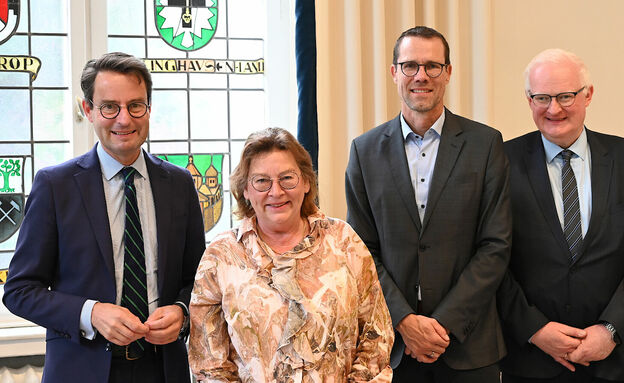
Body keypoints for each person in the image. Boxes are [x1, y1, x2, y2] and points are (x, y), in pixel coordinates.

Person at [2, 52, 206, 383]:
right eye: (109, 106)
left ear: (149, 110)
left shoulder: (179, 184)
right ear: (88, 110)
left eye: (135, 106)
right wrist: (91, 313)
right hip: (81, 369)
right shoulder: (56, 186)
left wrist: (182, 313)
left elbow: (199, 280)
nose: (124, 119)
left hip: (164, 370)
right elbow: (20, 290)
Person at [345, 26, 511, 382]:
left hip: (469, 348)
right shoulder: (364, 151)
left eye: (433, 66)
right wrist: (405, 321)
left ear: (448, 73)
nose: (421, 76)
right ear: (394, 73)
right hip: (392, 350)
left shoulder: (485, 144)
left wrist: (443, 324)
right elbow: (360, 252)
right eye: (410, 66)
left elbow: (495, 245)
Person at [497, 48, 624, 383]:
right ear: (528, 99)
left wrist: (611, 330)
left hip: (614, 362)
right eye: (542, 97)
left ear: (588, 95)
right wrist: (534, 328)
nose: (554, 108)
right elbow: (489, 257)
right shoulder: (500, 162)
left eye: (565, 96)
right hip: (530, 363)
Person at [188, 127, 394, 382]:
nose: (276, 192)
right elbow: (209, 364)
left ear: (306, 182)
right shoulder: (221, 255)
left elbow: (377, 336)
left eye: (287, 178)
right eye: (262, 181)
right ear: (245, 190)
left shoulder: (344, 241)